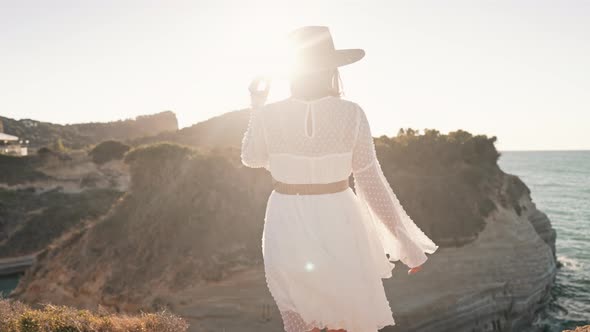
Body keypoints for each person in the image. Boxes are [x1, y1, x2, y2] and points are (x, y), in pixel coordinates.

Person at [241, 26, 438, 332]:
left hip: (285, 219)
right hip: (340, 218)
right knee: (344, 315)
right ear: (331, 68)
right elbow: (370, 183)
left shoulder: (269, 114)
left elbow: (251, 158)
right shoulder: (352, 114)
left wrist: (257, 106)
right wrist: (405, 242)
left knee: (297, 312)